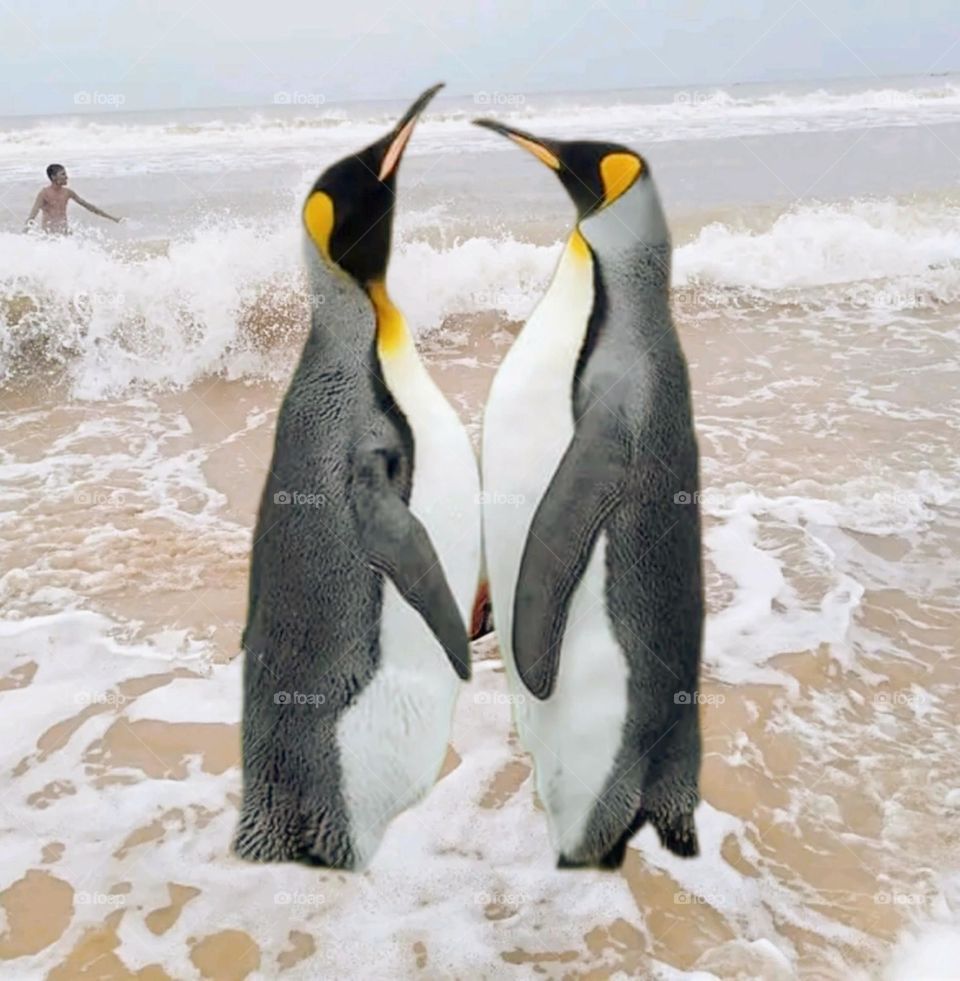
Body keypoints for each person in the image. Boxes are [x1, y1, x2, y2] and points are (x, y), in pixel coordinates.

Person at [24, 164, 121, 234]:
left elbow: (89, 207)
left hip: (64, 235)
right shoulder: (44, 193)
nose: (67, 177)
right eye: (62, 174)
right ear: (53, 177)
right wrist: (24, 235)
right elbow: (32, 215)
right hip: (49, 236)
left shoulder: (67, 192)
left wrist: (113, 218)